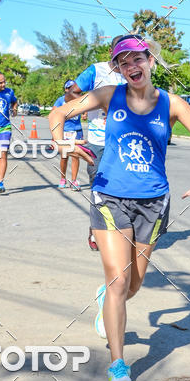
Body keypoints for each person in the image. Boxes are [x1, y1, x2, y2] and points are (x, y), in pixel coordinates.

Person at [49, 35, 190, 381]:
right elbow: (60, 112)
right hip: (110, 196)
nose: (131, 67)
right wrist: (61, 141)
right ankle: (118, 366)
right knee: (117, 281)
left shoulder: (173, 104)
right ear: (118, 69)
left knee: (133, 284)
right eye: (123, 63)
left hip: (154, 202)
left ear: (150, 61)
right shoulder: (109, 96)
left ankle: (107, 301)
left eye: (136, 60)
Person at [69, 36, 125, 250]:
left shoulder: (132, 73)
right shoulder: (96, 71)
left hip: (123, 143)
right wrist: (90, 103)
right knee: (99, 191)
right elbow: (73, 91)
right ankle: (95, 232)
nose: (125, 57)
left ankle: (118, 232)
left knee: (121, 191)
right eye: (120, 52)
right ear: (111, 51)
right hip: (98, 141)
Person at [53, 79, 84, 190]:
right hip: (64, 131)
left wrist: (84, 114)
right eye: (69, 88)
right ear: (66, 89)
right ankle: (63, 178)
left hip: (77, 131)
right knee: (64, 157)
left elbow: (86, 108)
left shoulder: (80, 100)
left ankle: (74, 181)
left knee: (76, 156)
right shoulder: (60, 101)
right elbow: (53, 116)